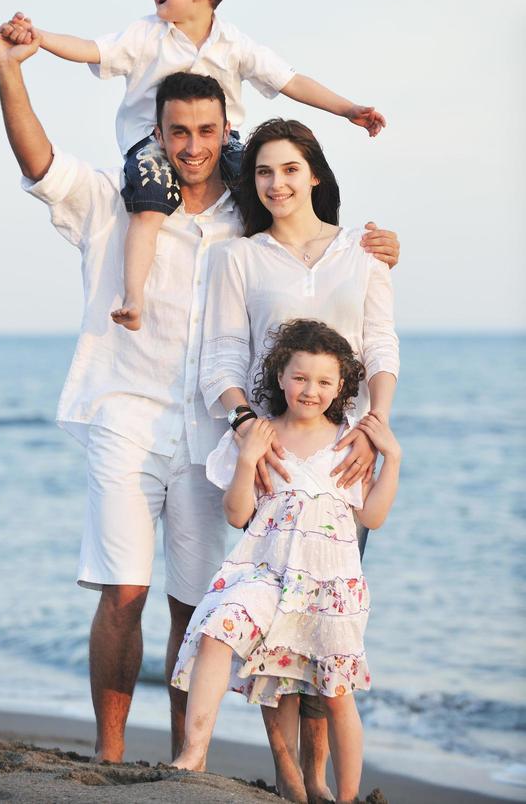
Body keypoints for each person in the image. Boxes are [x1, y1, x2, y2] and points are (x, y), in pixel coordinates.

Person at [0, 21, 399, 763]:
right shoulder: (118, 203)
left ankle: (186, 761)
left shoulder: (248, 221)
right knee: (123, 591)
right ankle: (110, 758)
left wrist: (378, 249)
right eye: (177, 131)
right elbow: (41, 164)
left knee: (197, 601)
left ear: (224, 130)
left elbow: (311, 271)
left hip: (215, 438)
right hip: (127, 415)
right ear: (158, 129)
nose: (192, 145)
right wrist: (11, 72)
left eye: (207, 130)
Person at [0, 0, 386, 332]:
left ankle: (310, 262)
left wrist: (348, 109)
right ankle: (134, 296)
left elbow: (290, 80)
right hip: (149, 145)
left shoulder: (233, 43)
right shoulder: (145, 35)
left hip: (226, 145)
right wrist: (41, 39)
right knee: (149, 209)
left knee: (265, 199)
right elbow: (90, 49)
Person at [200, 118, 400, 800]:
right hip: (274, 455)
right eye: (262, 172)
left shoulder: (365, 253)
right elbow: (222, 358)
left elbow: (381, 347)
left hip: (344, 460)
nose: (276, 183)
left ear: (314, 172)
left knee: (328, 625)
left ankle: (321, 781)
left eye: (288, 168)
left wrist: (376, 428)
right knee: (271, 626)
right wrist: (247, 429)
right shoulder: (238, 258)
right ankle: (289, 775)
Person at [171, 319, 401, 804]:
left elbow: (373, 517)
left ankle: (348, 797)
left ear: (342, 387)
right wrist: (246, 459)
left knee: (337, 696)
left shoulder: (350, 445)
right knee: (217, 629)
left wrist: (392, 460)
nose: (310, 390)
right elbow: (237, 515)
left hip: (330, 586)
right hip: (264, 573)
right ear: (279, 377)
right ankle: (193, 754)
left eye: (323, 381)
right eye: (299, 378)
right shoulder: (260, 435)